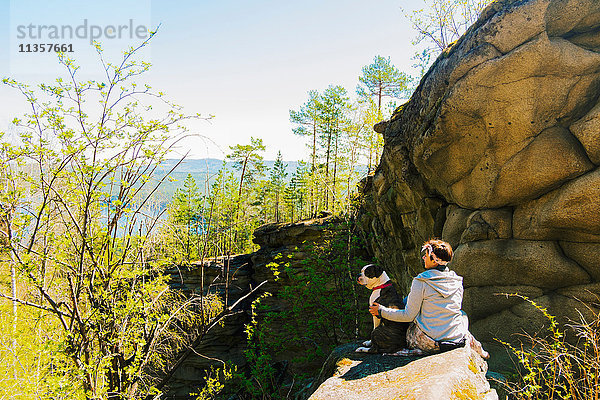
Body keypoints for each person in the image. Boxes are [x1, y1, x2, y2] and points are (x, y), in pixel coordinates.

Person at [369, 239, 489, 358]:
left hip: (430, 342)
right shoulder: (457, 281)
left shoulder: (421, 281)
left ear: (434, 260)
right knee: (461, 314)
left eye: (426, 255)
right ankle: (479, 349)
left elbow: (408, 315)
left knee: (412, 317)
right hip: (455, 339)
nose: (423, 258)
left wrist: (382, 311)